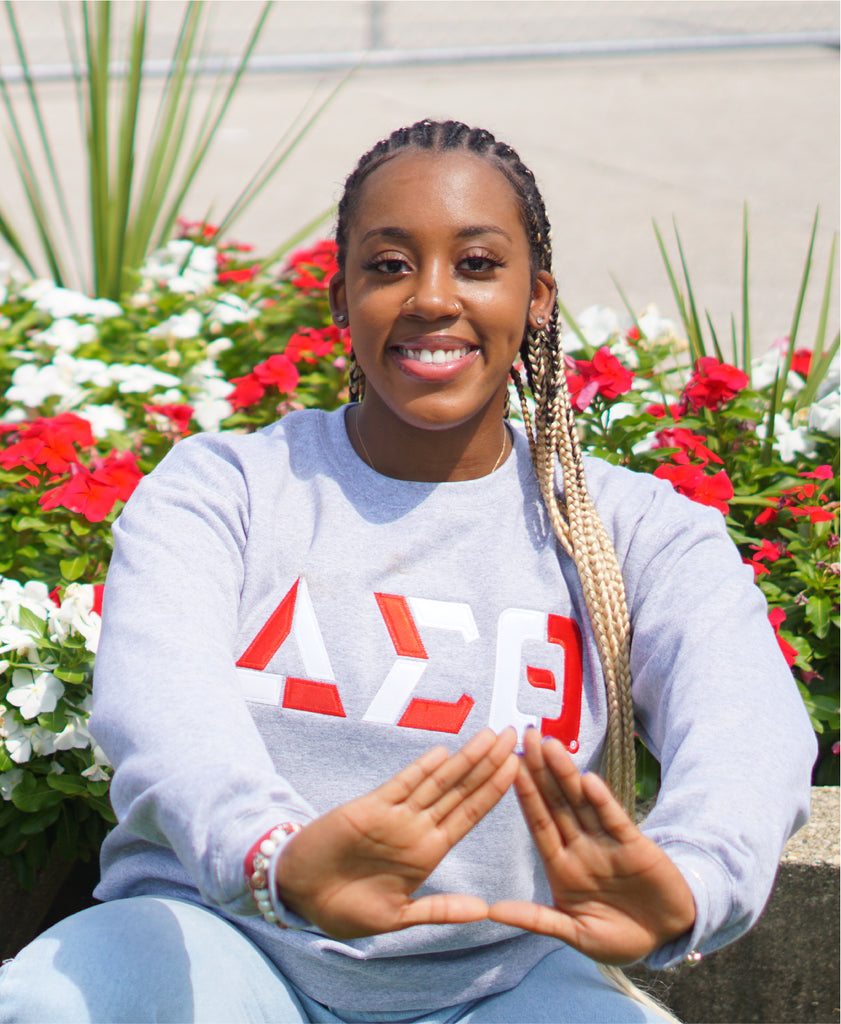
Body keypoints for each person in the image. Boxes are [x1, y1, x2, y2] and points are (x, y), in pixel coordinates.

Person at [0, 119, 816, 1024]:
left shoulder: (637, 533)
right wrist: (273, 858)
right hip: (220, 939)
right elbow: (160, 707)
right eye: (388, 265)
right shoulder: (225, 489)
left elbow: (749, 730)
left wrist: (692, 882)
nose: (432, 297)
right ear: (341, 299)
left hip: (502, 979)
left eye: (476, 263)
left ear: (537, 297)